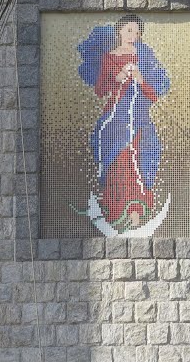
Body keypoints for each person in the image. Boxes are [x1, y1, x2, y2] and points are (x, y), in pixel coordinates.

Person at [77, 14, 170, 233]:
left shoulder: (144, 57)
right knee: (117, 162)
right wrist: (116, 78)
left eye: (137, 32)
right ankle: (115, 210)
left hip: (139, 119)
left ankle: (136, 210)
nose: (133, 36)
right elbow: (100, 91)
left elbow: (154, 94)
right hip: (114, 120)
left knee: (138, 159)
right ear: (119, 31)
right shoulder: (109, 58)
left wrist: (139, 78)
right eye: (129, 30)